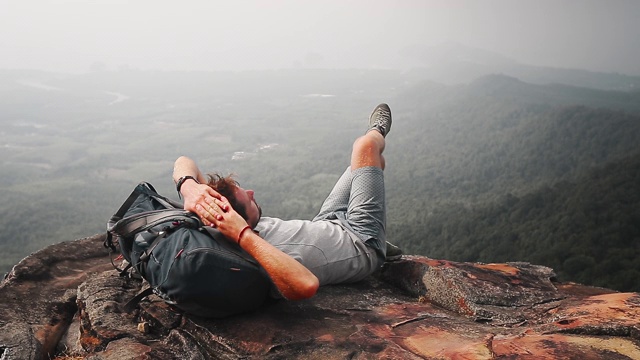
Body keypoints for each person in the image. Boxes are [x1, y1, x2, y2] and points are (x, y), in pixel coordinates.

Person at [172, 103, 397, 301]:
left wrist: (189, 187)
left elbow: (183, 161)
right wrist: (243, 235)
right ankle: (376, 131)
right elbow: (306, 285)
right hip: (361, 240)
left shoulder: (216, 222)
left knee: (372, 164)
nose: (251, 193)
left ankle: (380, 228)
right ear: (240, 221)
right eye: (247, 199)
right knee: (366, 148)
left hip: (326, 222)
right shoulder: (257, 253)